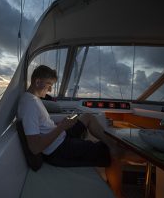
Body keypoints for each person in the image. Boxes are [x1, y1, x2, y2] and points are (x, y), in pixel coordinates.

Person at [17, 65, 142, 198]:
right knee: (113, 153)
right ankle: (118, 192)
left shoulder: (33, 99)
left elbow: (42, 127)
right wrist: (61, 127)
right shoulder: (30, 104)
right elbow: (35, 148)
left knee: (87, 117)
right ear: (37, 82)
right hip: (58, 150)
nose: (50, 89)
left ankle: (111, 145)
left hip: (60, 136)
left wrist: (59, 125)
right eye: (49, 85)